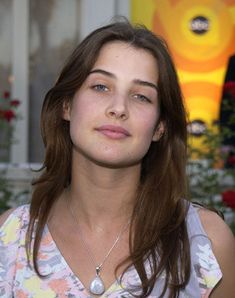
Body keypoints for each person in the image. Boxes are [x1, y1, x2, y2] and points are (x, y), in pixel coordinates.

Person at [0, 19, 235, 298]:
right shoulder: (8, 239)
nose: (118, 108)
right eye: (101, 86)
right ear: (66, 105)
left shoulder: (206, 243)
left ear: (160, 127)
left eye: (141, 96)